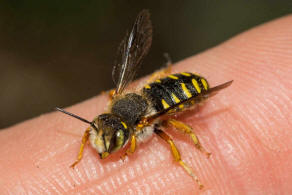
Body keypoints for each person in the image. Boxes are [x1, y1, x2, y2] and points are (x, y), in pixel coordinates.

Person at [1, 15, 291, 194]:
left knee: (175, 134)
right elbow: (93, 133)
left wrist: (196, 144)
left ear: (135, 127)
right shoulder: (117, 101)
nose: (101, 143)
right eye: (102, 134)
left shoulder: (148, 122)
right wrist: (80, 157)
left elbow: (171, 129)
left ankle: (189, 161)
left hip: (182, 90)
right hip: (156, 86)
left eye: (108, 138)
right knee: (150, 85)